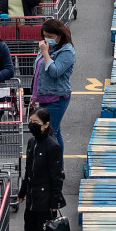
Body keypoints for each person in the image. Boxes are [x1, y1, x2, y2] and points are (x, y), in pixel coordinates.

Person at [21, 105, 66, 231]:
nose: (32, 125)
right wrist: (23, 191)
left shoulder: (52, 146)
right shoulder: (31, 143)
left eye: (36, 122)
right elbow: (28, 169)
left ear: (46, 125)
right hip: (32, 195)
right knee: (29, 229)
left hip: (45, 198)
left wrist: (55, 202)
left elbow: (57, 177)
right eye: (31, 121)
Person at [33, 19, 75, 148]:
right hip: (44, 95)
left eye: (50, 36)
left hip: (57, 97)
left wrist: (45, 53)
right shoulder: (47, 46)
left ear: (60, 35)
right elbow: (38, 72)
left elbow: (55, 72)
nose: (47, 39)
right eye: (45, 35)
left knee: (50, 133)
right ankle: (59, 167)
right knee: (56, 132)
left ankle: (55, 166)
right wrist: (34, 95)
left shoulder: (66, 52)